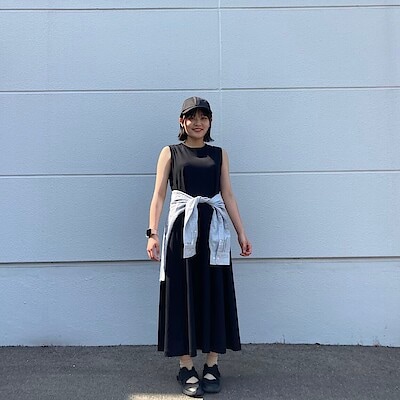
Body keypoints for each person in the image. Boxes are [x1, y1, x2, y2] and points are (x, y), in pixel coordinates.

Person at [146, 96, 252, 397]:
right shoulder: (170, 152)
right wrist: (152, 233)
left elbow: (227, 194)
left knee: (214, 292)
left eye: (203, 117)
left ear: (210, 122)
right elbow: (159, 195)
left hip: (214, 234)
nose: (197, 122)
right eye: (191, 117)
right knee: (182, 294)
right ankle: (185, 365)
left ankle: (212, 364)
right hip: (182, 234)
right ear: (182, 121)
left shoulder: (219, 154)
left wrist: (241, 232)